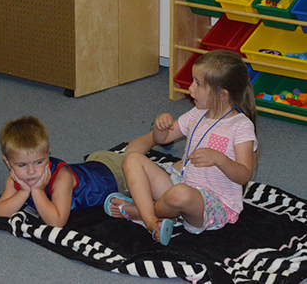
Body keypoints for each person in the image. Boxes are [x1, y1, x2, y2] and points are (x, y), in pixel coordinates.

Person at [105, 50, 258, 246]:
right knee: (132, 158)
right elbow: (165, 137)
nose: (190, 88)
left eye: (198, 84)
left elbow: (244, 174)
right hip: (181, 184)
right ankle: (152, 221)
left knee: (180, 194)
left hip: (212, 205)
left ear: (222, 95)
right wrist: (161, 128)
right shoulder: (197, 113)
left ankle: (138, 211)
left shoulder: (241, 126)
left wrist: (219, 159)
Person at [0, 116, 128, 227]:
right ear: (8, 163)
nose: (31, 171)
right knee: (129, 152)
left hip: (115, 174)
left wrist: (37, 190)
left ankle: (150, 137)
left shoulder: (62, 178)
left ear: (48, 154)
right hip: (95, 162)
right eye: (22, 165)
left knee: (133, 158)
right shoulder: (14, 177)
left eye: (39, 162)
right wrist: (23, 192)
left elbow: (57, 222)